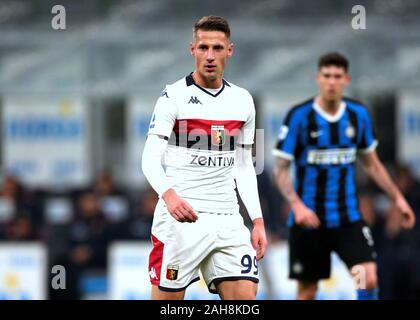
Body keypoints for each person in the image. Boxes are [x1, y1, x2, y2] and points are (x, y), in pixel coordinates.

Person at [141, 15, 267, 300]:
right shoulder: (172, 96)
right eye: (203, 48)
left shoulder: (244, 100)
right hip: (181, 221)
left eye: (218, 48)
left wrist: (257, 220)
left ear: (230, 50)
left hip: (227, 219)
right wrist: (169, 196)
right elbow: (149, 159)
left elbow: (245, 164)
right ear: (192, 49)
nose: (210, 56)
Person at [272, 52, 416, 300]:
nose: (331, 82)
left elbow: (372, 164)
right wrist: (297, 206)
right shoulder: (300, 116)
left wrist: (398, 198)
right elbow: (280, 170)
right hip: (309, 221)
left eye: (337, 76)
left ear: (346, 79)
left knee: (367, 278)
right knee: (307, 291)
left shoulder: (357, 115)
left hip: (347, 219)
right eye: (327, 76)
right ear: (318, 78)